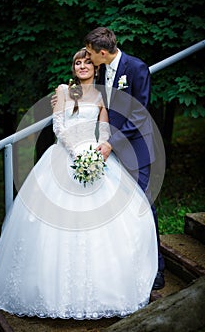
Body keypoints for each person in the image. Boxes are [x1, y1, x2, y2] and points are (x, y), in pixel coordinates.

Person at [0, 49, 158, 319]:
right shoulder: (64, 91)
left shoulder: (100, 95)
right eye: (77, 63)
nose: (82, 66)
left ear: (95, 67)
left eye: (86, 62)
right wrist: (77, 153)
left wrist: (95, 152)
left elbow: (104, 128)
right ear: (73, 68)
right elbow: (59, 127)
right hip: (64, 156)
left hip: (94, 156)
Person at [84, 27, 165, 290]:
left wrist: (111, 143)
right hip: (112, 150)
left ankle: (158, 269)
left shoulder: (137, 68)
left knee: (143, 205)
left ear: (103, 52)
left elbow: (140, 114)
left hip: (137, 149)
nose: (87, 57)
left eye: (89, 53)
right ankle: (130, 266)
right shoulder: (103, 70)